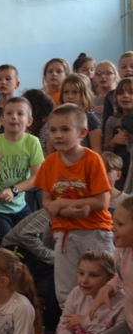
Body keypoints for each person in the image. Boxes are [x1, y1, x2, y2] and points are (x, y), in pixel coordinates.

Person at [33, 104, 114, 305]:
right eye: (53, 130)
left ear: (82, 133)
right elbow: (47, 201)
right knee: (66, 290)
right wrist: (64, 209)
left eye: (65, 129)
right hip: (65, 232)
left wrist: (62, 204)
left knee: (103, 283)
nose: (58, 135)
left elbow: (101, 202)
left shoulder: (92, 159)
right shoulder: (50, 163)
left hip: (93, 231)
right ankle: (71, 320)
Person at [72, 196, 133, 334]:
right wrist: (108, 287)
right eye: (114, 222)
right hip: (129, 328)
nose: (113, 228)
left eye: (120, 224)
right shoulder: (122, 250)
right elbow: (121, 276)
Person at [0, 97, 44, 242]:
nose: (14, 117)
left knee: (33, 240)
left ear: (29, 121)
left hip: (20, 206)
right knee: (8, 243)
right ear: (1, 120)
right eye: (9, 113)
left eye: (20, 113)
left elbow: (37, 177)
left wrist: (13, 190)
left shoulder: (32, 142)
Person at [58, 72, 102, 153]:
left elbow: (96, 151)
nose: (69, 96)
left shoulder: (91, 119)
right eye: (66, 92)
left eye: (75, 92)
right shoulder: (58, 117)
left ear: (85, 95)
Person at [103, 77, 133, 190]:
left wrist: (129, 138)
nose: (125, 96)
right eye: (120, 93)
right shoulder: (112, 120)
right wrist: (114, 141)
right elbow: (106, 150)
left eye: (131, 93)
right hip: (120, 166)